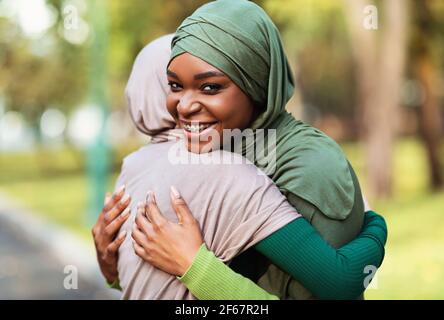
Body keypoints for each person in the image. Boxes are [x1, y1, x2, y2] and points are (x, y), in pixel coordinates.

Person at [128, 0, 387, 299]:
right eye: (174, 86)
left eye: (210, 87)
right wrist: (112, 265)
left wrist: (195, 267)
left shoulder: (310, 167)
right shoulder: (214, 155)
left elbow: (338, 284)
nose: (184, 106)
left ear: (257, 85)